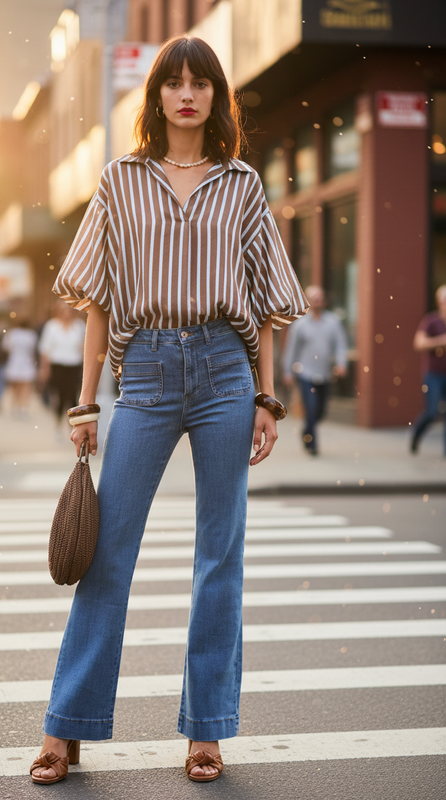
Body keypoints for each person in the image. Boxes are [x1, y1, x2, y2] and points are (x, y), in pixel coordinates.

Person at [29, 35, 308, 787]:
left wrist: (264, 398)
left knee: (220, 557)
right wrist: (85, 403)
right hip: (145, 370)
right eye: (173, 82)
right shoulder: (120, 180)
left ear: (217, 97)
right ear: (154, 96)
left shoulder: (243, 184)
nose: (187, 93)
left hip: (224, 369)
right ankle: (67, 728)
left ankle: (206, 732)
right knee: (106, 556)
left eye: (201, 82)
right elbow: (95, 300)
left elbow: (267, 307)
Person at [282, 285, 347, 456]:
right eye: (314, 298)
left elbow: (340, 345)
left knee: (321, 411)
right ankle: (313, 446)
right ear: (309, 301)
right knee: (310, 408)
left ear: (324, 301)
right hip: (305, 373)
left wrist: (341, 364)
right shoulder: (300, 324)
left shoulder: (333, 322)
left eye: (320, 298)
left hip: (325, 374)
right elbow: (291, 350)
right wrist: (288, 372)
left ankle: (307, 431)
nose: (317, 301)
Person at [410, 284, 446, 455]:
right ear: (440, 302)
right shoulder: (431, 321)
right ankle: (416, 435)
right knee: (432, 411)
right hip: (433, 375)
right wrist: (441, 341)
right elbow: (419, 343)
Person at [38, 301, 85, 426]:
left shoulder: (79, 326)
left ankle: (73, 424)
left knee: (73, 395)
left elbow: (83, 347)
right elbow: (45, 350)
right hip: (57, 364)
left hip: (74, 365)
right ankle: (58, 423)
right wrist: (44, 369)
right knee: (59, 395)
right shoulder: (51, 326)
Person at [1, 319, 38, 415]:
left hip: (14, 362)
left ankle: (16, 406)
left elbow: (5, 347)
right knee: (26, 387)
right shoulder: (31, 335)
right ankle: (23, 407)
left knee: (15, 388)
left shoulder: (12, 334)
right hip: (27, 362)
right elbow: (32, 349)